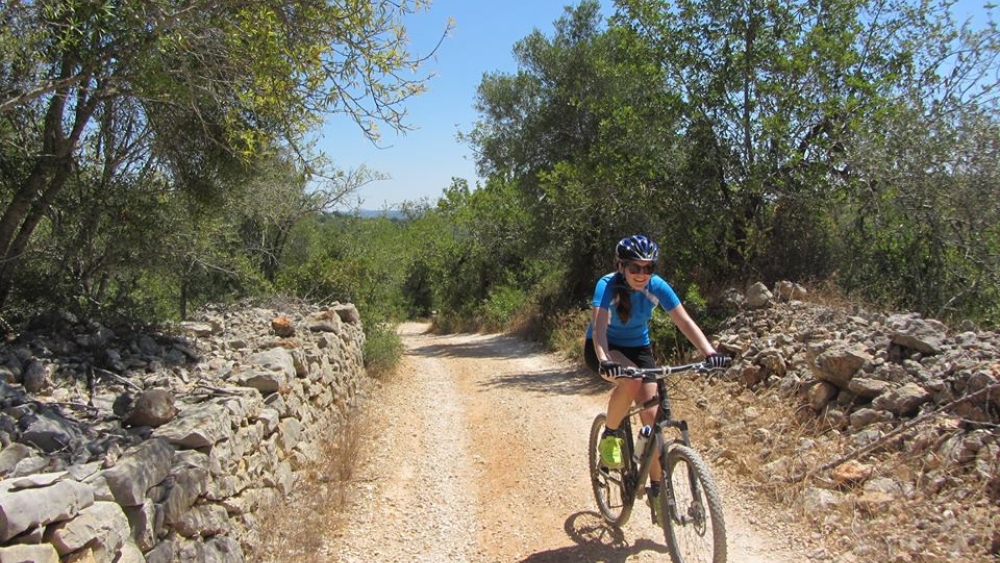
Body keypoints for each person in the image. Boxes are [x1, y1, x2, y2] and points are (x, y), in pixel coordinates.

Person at [584, 234, 730, 523]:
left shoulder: (657, 287)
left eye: (648, 268)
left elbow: (684, 321)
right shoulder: (607, 285)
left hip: (639, 349)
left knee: (653, 419)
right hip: (604, 348)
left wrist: (710, 352)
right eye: (635, 267)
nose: (642, 274)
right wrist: (606, 361)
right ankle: (611, 435)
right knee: (631, 381)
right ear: (621, 266)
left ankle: (658, 492)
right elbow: (599, 330)